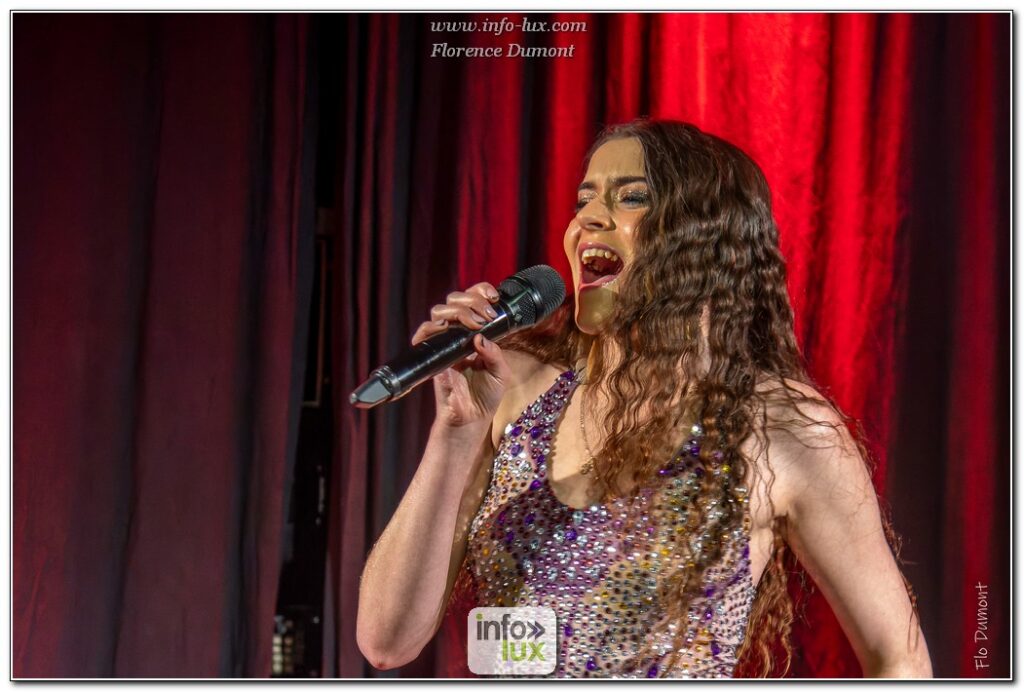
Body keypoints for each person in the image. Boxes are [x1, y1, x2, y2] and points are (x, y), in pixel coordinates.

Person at [355, 119, 933, 678]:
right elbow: (386, 642)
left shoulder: (776, 426)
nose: (587, 219)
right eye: (584, 200)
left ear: (707, 239)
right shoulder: (516, 388)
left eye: (631, 198)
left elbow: (900, 661)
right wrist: (457, 433)